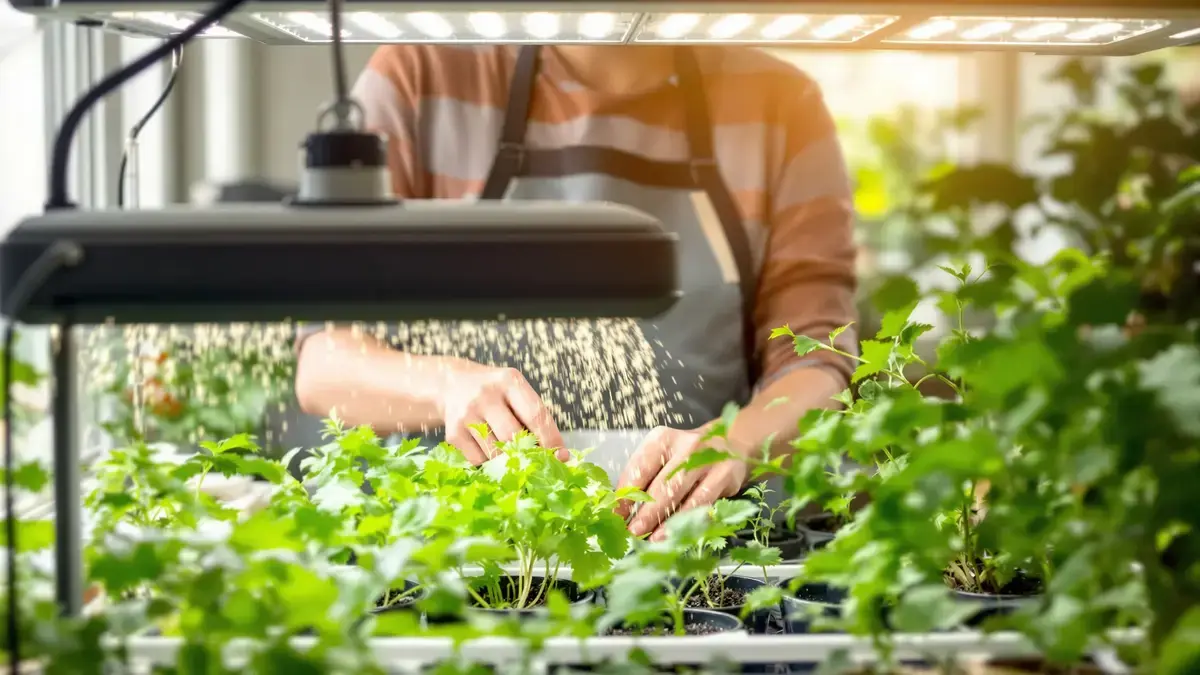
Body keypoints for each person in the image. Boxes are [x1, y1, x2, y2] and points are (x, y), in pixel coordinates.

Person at [294, 44, 858, 541]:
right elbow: (325, 360)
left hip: (688, 538)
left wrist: (736, 443)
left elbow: (817, 362)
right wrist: (447, 386)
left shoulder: (780, 105)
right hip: (455, 544)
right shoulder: (424, 75)